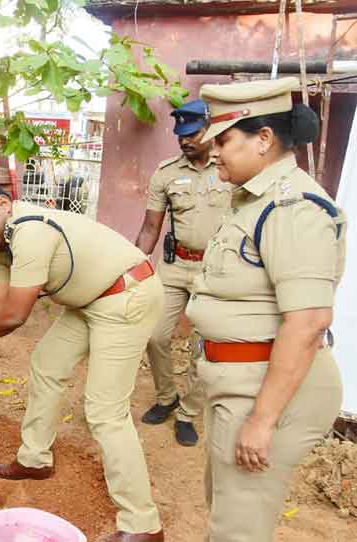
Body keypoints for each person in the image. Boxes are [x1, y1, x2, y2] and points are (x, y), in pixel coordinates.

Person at [0, 177, 165, 542]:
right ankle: (35, 459)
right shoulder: (5, 246)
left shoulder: (30, 234)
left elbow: (14, 317)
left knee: (105, 411)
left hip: (126, 294)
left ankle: (144, 525)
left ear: (4, 204)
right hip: (91, 298)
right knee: (47, 364)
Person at [186, 77, 345, 542]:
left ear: (264, 139)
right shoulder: (255, 201)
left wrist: (262, 420)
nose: (214, 151)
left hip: (267, 391)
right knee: (228, 512)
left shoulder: (294, 209)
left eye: (224, 139)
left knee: (239, 529)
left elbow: (309, 321)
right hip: (240, 382)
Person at [135, 99, 232, 446]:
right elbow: (149, 228)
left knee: (202, 347)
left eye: (192, 134)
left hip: (216, 270)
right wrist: (131, 267)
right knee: (154, 335)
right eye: (180, 136)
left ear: (210, 130)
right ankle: (166, 398)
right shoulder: (165, 172)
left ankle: (188, 413)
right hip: (174, 267)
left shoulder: (230, 169)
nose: (185, 141)